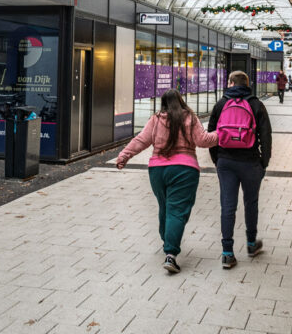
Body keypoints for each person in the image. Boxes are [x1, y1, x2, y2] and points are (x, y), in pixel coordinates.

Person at [115, 90, 217, 274]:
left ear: (163, 103)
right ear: (181, 101)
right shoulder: (190, 117)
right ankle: (170, 254)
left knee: (165, 207)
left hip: (158, 171)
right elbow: (203, 140)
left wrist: (124, 155)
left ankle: (167, 240)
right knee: (176, 211)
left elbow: (141, 140)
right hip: (184, 170)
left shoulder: (156, 119)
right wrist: (222, 134)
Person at [208, 71, 272, 269]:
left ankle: (227, 253)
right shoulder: (256, 104)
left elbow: (212, 135)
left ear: (231, 83)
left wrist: (217, 160)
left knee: (228, 206)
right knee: (251, 202)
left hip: (226, 162)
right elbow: (266, 136)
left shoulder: (221, 104)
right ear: (246, 84)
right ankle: (251, 244)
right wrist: (263, 163)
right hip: (250, 162)